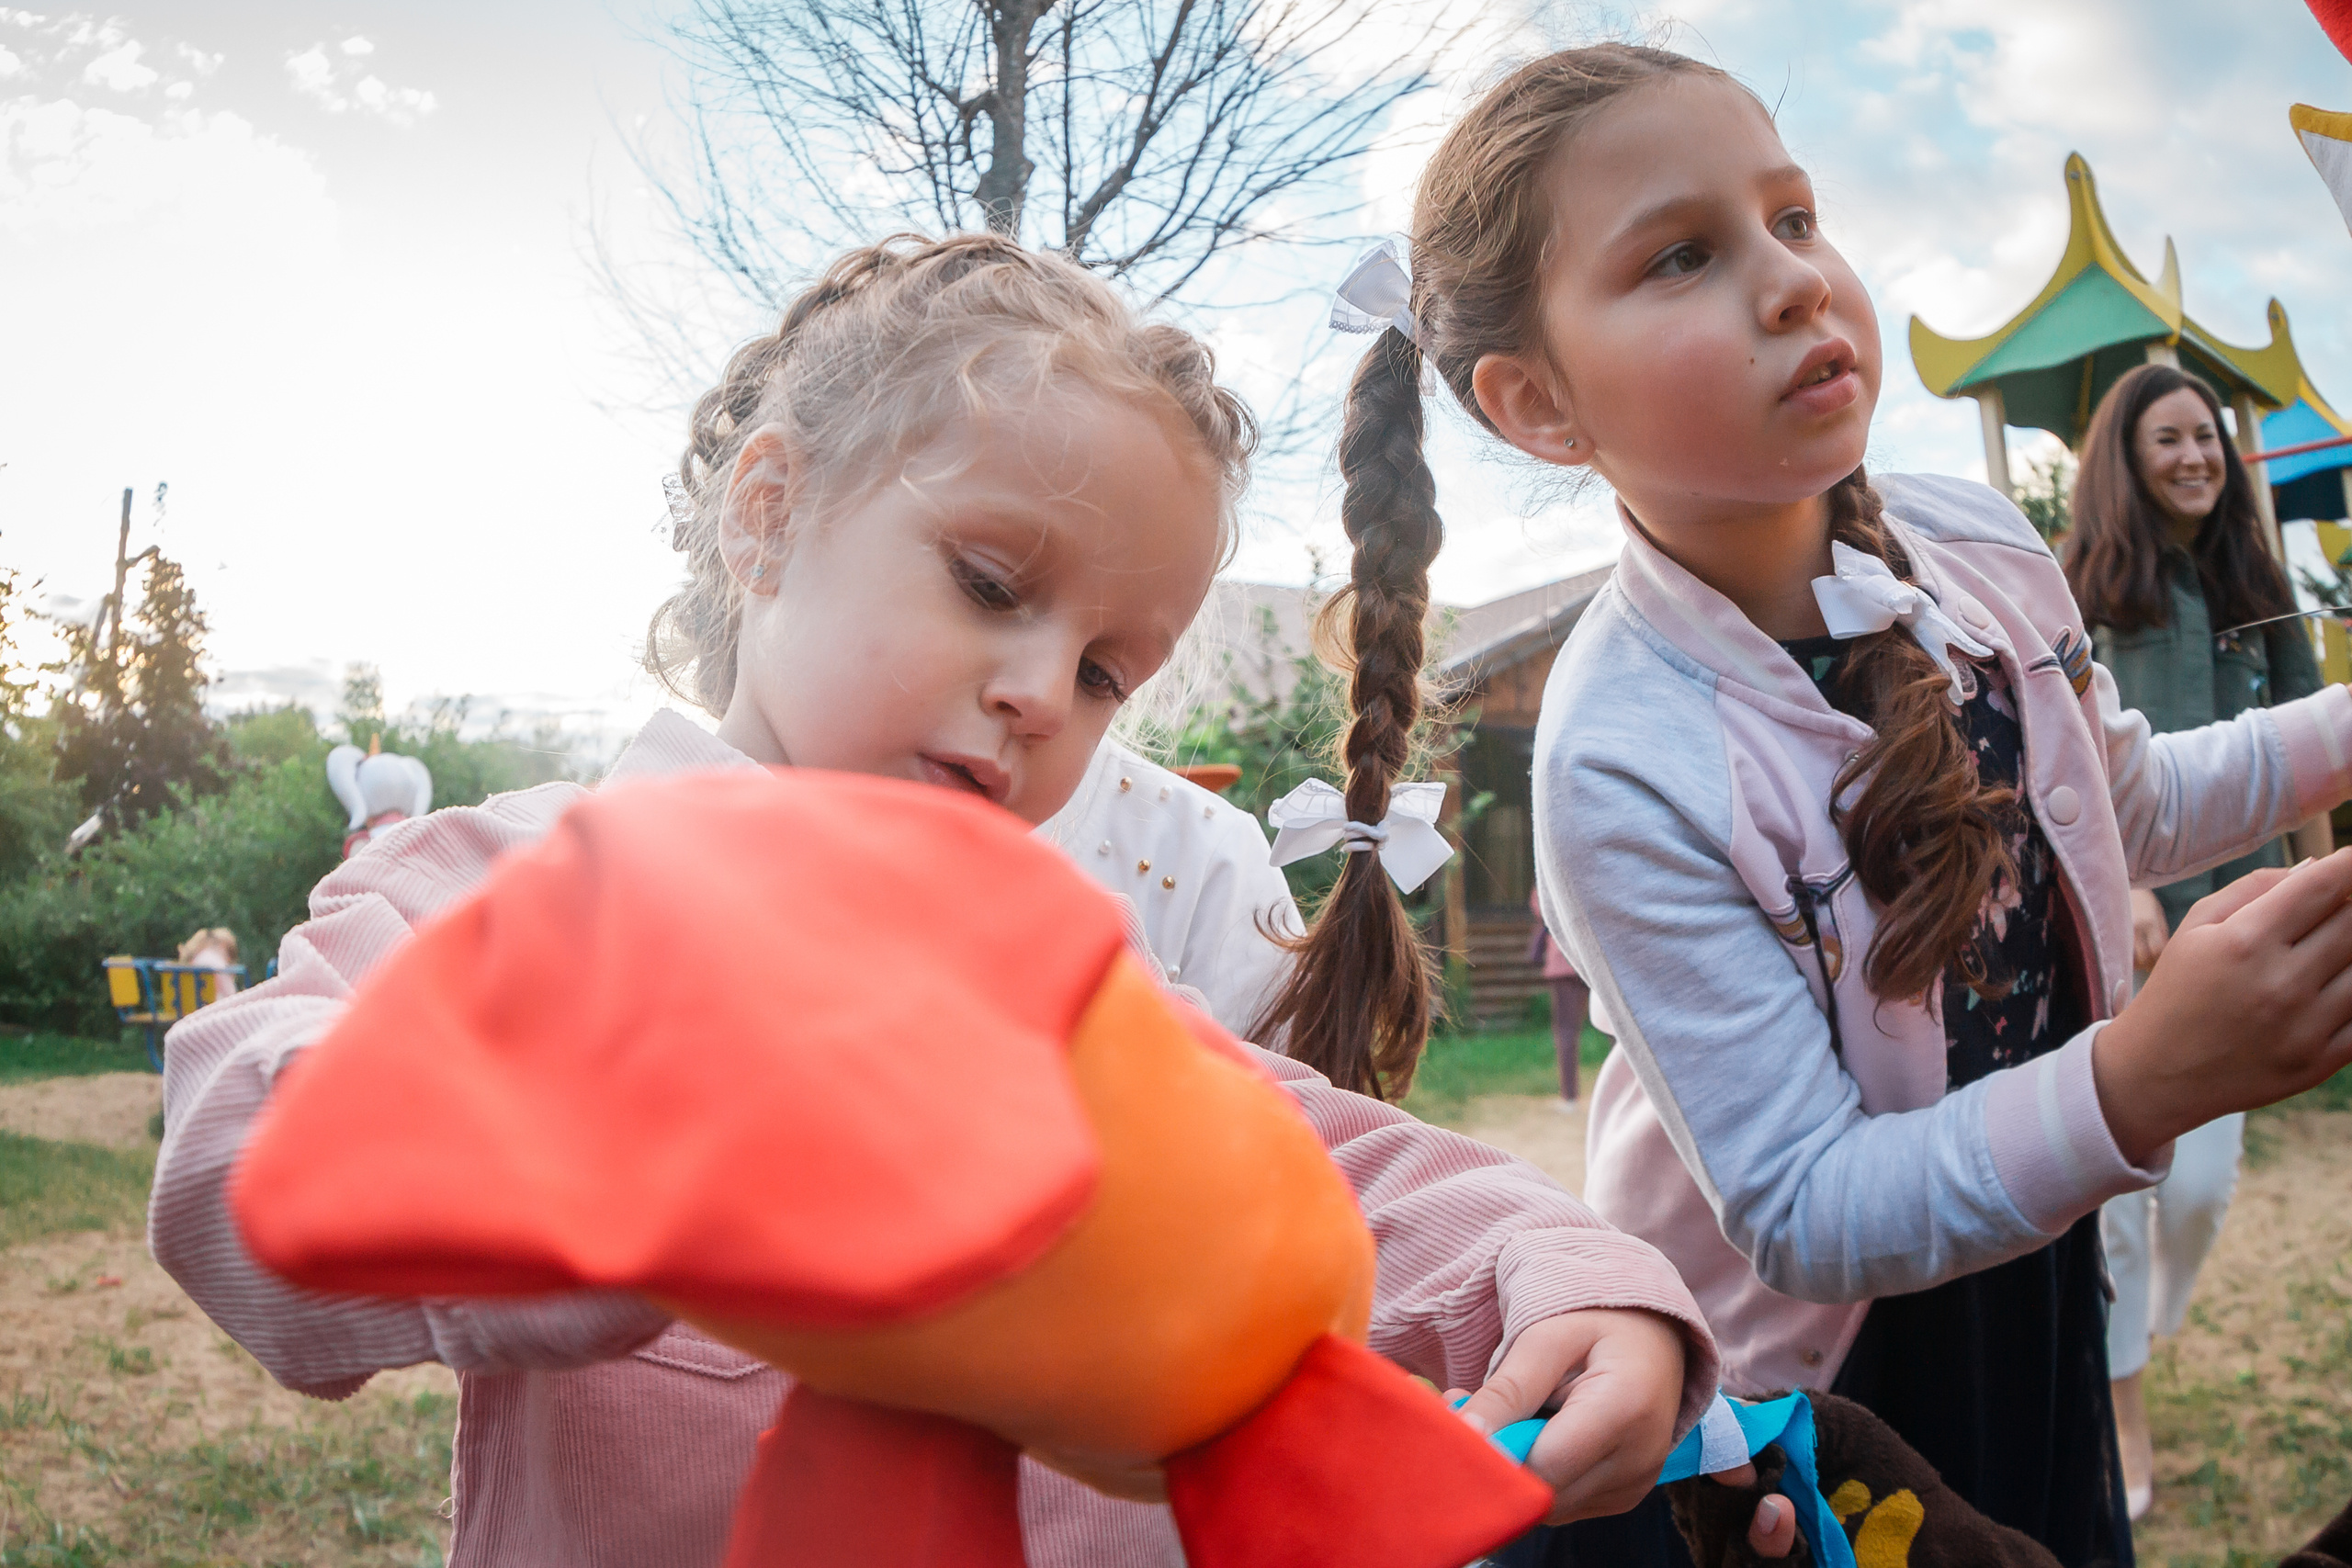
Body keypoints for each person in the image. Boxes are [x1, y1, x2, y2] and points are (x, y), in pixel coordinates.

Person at [149, 233, 1749, 1568]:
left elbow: (1314, 1158)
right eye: (991, 584)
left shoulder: (1052, 966)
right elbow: (232, 1159)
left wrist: (1562, 1265)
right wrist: (633, 1162)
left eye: (1107, 672)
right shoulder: (523, 876)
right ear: (769, 514)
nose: (1042, 691)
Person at [1258, 44, 2352, 1568]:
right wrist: (2144, 1080)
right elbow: (1807, 1203)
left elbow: (2132, 803)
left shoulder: (1982, 549)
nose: (1791, 281)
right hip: (1820, 1395)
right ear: (1539, 403)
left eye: (1793, 218)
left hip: (2033, 1259)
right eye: (1682, 255)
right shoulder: (1621, 748)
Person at [2064, 362, 2333, 1519]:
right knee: (2120, 1197)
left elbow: (2307, 749)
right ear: (2124, 458)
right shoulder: (2075, 589)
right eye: (2168, 438)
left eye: (2207, 438)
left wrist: (2319, 885)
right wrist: (2125, 882)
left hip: (2240, 918)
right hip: (2119, 936)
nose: (2193, 457)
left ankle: (2136, 1334)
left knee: (2199, 1191)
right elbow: (2066, 763)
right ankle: (2120, 1401)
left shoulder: (2252, 583)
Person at [1529, 888, 1586, 1105]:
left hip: (1563, 962)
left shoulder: (1549, 877)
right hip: (1593, 960)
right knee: (1613, 1030)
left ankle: (1569, 1097)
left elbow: (1540, 907)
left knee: (1566, 1031)